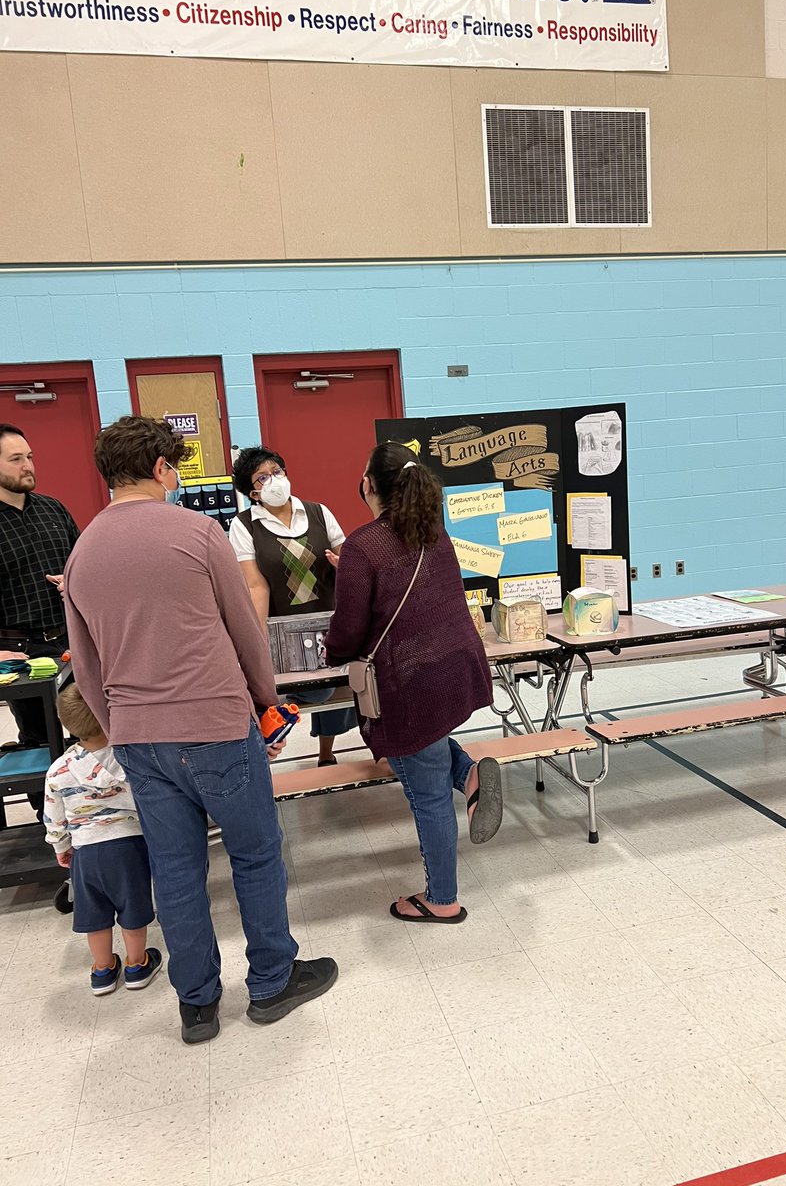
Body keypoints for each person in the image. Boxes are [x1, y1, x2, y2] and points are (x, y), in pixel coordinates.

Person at [64, 415, 337, 1044]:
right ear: (162, 468)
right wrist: (265, 700)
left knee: (176, 869)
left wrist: (120, 729)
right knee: (254, 853)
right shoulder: (196, 533)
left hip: (137, 736)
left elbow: (88, 662)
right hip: (214, 723)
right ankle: (271, 981)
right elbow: (244, 628)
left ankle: (196, 1002)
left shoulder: (81, 552)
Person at [324, 442, 502, 925]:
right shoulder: (434, 532)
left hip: (410, 685)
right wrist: (355, 576)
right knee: (432, 751)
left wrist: (331, 651)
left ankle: (442, 899)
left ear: (371, 486)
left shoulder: (363, 545)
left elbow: (349, 632)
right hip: (453, 669)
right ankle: (469, 775)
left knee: (425, 793)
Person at [230, 446, 356, 767]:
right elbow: (256, 587)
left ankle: (327, 752)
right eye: (262, 477)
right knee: (318, 692)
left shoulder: (318, 513)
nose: (274, 481)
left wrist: (348, 567)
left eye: (277, 472)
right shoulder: (244, 526)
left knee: (342, 683)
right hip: (283, 632)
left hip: (331, 623)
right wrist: (257, 647)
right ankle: (296, 730)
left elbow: (350, 560)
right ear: (252, 492)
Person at [43, 683, 163, 996]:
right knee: (132, 906)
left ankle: (102, 970)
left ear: (66, 723)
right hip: (129, 846)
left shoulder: (58, 771)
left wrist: (61, 847)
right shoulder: (130, 758)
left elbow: (53, 817)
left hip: (85, 851)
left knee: (94, 913)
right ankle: (136, 964)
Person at [0, 423, 79, 814]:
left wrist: (75, 583)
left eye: (29, 457)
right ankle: (50, 822)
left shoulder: (53, 508)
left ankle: (101, 812)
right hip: (19, 651)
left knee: (92, 728)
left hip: (69, 639)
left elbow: (84, 563)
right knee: (38, 739)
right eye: (16, 459)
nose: (28, 466)